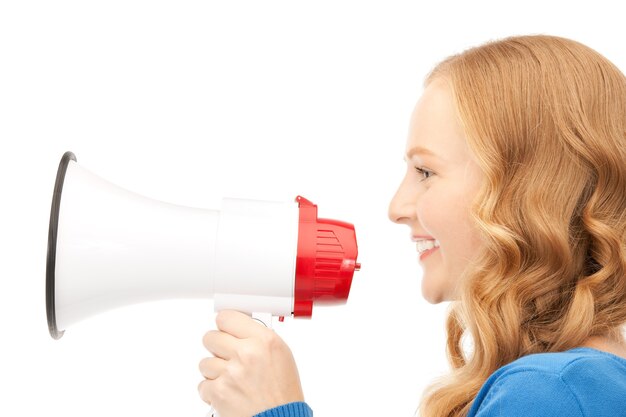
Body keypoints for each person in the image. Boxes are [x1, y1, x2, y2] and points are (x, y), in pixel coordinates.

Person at [197, 34, 626, 417]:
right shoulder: (581, 386)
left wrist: (275, 411)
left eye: (425, 172)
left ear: (526, 190)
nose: (397, 207)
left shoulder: (553, 394)